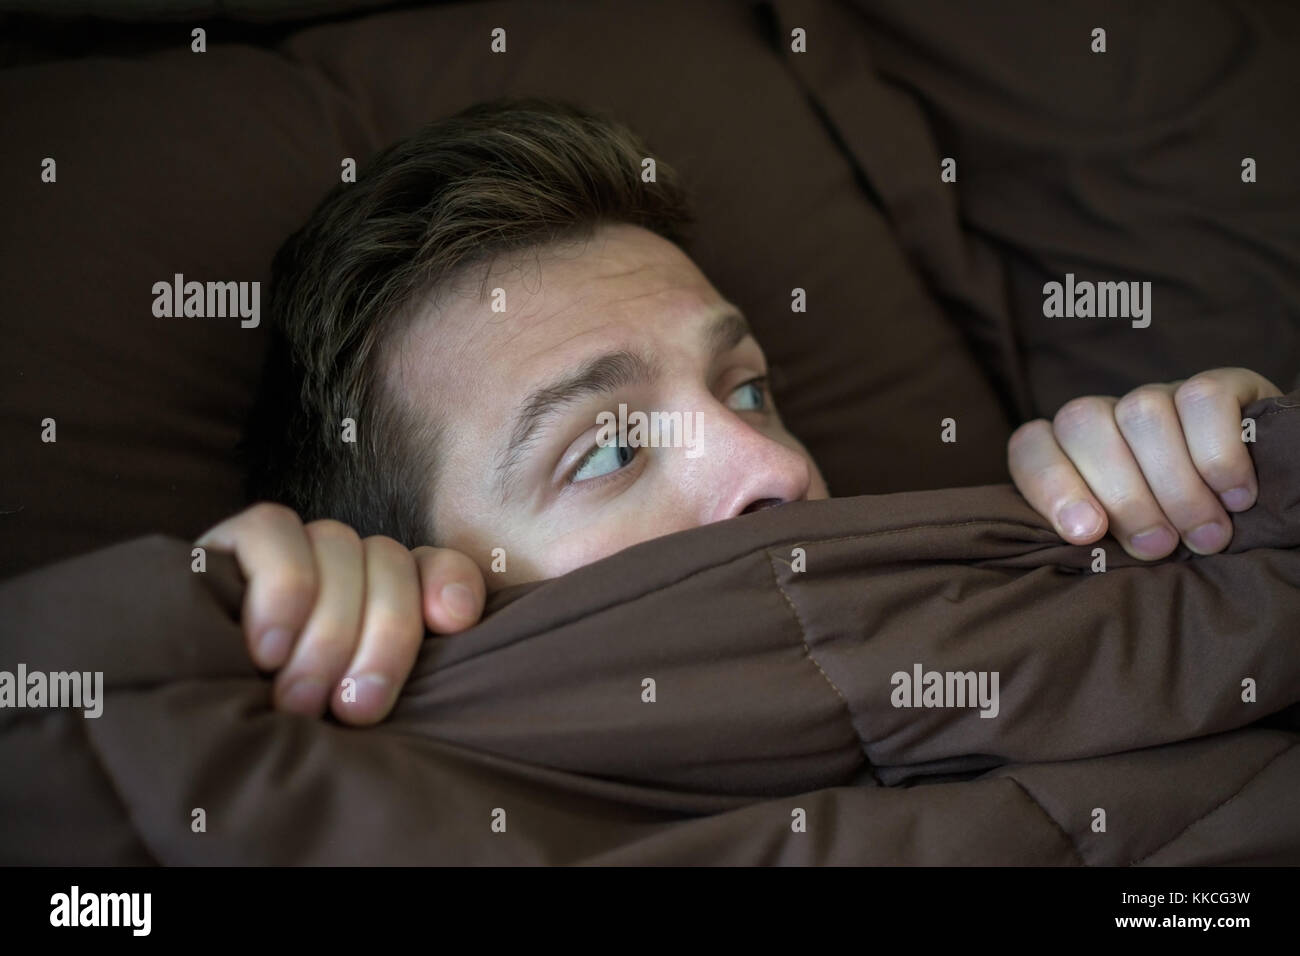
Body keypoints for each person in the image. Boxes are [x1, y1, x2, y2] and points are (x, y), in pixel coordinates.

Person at [197, 96, 1282, 727]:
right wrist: (190, 660)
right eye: (611, 447)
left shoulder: (1056, 613)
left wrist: (1255, 503)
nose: (770, 466)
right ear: (423, 588)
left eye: (748, 389)